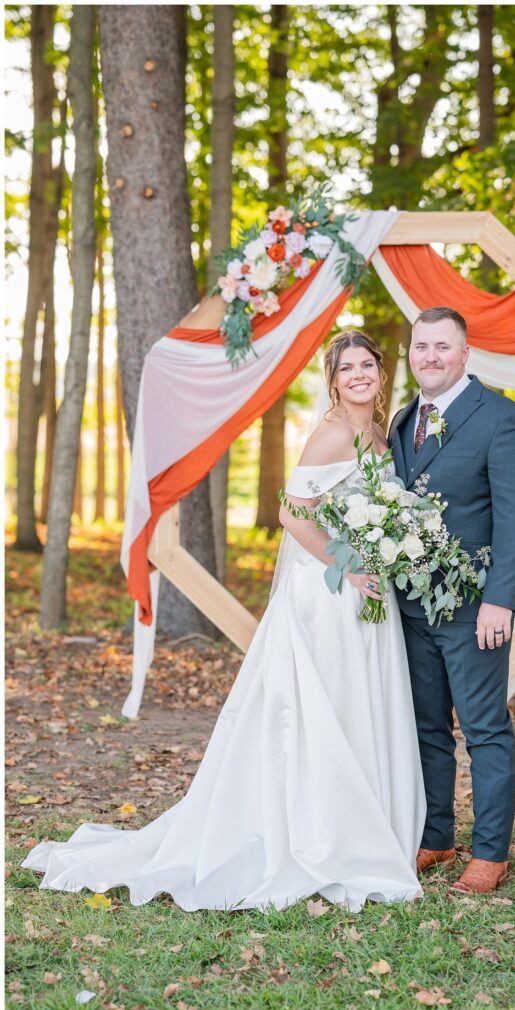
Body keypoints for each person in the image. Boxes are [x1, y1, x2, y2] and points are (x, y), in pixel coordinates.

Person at [22, 330, 426, 913]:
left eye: (368, 365)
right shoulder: (334, 432)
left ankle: (370, 824)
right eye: (348, 367)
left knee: (360, 705)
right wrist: (348, 561)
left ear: (380, 373)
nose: (360, 375)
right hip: (331, 591)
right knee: (326, 711)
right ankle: (327, 833)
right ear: (332, 378)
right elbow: (293, 514)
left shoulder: (377, 431)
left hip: (368, 586)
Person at [389, 306, 515, 893]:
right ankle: (436, 836)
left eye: (442, 347)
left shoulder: (503, 418)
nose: (430, 356)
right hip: (412, 606)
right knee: (427, 727)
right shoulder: (405, 420)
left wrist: (500, 601)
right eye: (421, 346)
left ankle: (491, 853)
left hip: (476, 606)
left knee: (484, 729)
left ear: (465, 354)